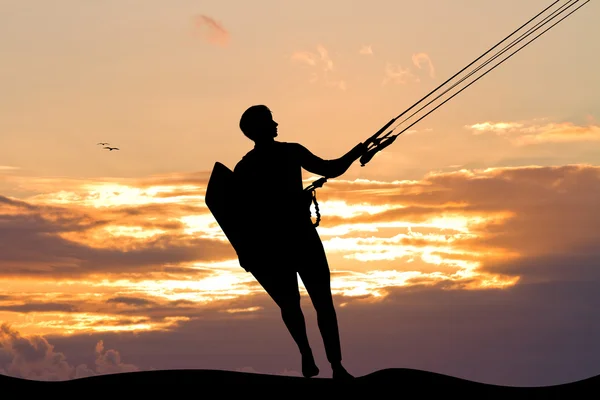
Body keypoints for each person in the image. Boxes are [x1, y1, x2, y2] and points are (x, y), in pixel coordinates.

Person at [232, 104, 366, 380]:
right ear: (260, 128)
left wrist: (246, 251)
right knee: (322, 303)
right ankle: (336, 366)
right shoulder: (290, 151)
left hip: (273, 245)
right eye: (270, 120)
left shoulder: (244, 167)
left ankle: (307, 354)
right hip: (300, 237)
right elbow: (332, 168)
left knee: (290, 304)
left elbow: (239, 216)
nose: (276, 123)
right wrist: (357, 152)